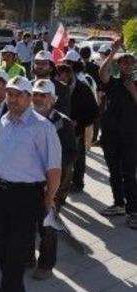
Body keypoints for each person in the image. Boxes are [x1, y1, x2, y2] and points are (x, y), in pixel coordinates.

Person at [0, 76, 61, 292]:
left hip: (26, 198)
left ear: (29, 97)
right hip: (2, 193)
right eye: (9, 94)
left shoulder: (42, 127)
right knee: (3, 253)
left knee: (15, 257)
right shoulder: (4, 121)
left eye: (18, 94)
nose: (12, 99)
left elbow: (53, 169)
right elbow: (1, 160)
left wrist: (49, 200)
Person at [29, 79, 78, 281]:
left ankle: (46, 264)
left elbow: (70, 154)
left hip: (51, 183)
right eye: (36, 95)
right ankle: (27, 257)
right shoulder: (26, 118)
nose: (38, 99)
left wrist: (51, 175)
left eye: (43, 95)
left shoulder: (62, 122)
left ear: (53, 98)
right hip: (28, 180)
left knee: (47, 225)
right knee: (26, 222)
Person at [97, 41, 137, 229]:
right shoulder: (113, 83)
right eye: (124, 63)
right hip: (111, 136)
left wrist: (133, 90)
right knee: (114, 172)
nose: (127, 66)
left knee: (129, 174)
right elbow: (102, 74)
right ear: (119, 65)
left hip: (130, 137)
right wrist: (113, 52)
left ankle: (133, 210)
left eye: (130, 63)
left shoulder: (135, 84)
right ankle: (119, 203)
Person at [55, 61, 98, 194]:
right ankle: (59, 187)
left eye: (61, 76)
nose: (58, 79)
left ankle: (77, 183)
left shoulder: (83, 89)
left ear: (69, 75)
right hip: (59, 130)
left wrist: (79, 122)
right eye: (57, 76)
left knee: (76, 158)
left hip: (76, 131)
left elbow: (94, 112)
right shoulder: (57, 89)